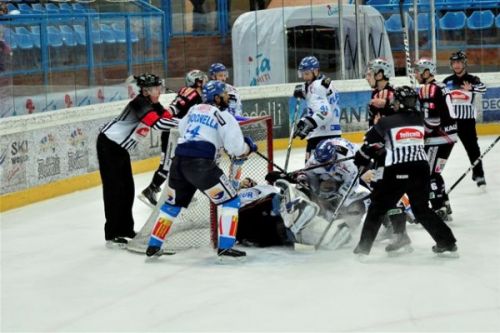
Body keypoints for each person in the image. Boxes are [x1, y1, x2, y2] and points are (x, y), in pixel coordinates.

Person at [145, 80, 258, 260]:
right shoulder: (224, 115)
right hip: (200, 165)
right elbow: (236, 149)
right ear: (217, 97)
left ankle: (153, 246)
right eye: (225, 94)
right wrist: (249, 147)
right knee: (231, 202)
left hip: (178, 163)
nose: (229, 97)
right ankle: (226, 248)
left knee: (171, 205)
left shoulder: (194, 109)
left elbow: (184, 129)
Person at [353, 86, 458, 257]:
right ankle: (447, 242)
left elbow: (369, 146)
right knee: (421, 209)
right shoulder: (420, 119)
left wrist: (360, 160)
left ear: (398, 103)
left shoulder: (385, 123)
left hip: (398, 169)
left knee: (377, 208)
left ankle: (363, 249)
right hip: (421, 169)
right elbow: (428, 126)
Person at [97, 74, 177, 248]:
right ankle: (112, 233)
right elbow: (157, 124)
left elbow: (168, 118)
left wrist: (187, 118)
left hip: (119, 148)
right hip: (109, 146)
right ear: (147, 91)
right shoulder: (140, 103)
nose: (160, 90)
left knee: (127, 189)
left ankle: (125, 229)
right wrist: (186, 124)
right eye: (157, 88)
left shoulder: (153, 104)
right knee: (114, 190)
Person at [139, 69, 208, 207]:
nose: (206, 81)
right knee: (167, 164)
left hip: (181, 132)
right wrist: (163, 113)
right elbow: (172, 111)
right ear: (197, 81)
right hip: (172, 132)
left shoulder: (197, 94)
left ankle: (181, 192)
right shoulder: (190, 92)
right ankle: (150, 191)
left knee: (183, 162)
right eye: (203, 79)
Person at [415, 57, 457, 221]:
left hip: (438, 138)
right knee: (435, 172)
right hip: (449, 136)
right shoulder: (440, 86)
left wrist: (420, 134)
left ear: (427, 72)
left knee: (428, 173)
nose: (415, 74)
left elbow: (432, 121)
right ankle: (444, 204)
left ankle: (439, 208)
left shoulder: (428, 89)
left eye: (418, 71)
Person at [443, 50, 487, 188]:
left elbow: (483, 88)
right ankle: (432, 176)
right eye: (454, 62)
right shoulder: (447, 81)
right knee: (442, 149)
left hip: (467, 122)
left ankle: (479, 174)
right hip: (450, 121)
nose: (456, 65)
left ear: (464, 63)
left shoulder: (473, 79)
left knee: (473, 149)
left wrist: (472, 88)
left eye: (459, 62)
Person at [292, 56, 341, 162]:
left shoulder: (317, 86)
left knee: (311, 172)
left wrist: (308, 124)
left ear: (315, 71)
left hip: (320, 136)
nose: (304, 77)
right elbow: (320, 102)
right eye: (302, 74)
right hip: (334, 134)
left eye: (307, 74)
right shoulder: (325, 82)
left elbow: (324, 113)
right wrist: (305, 93)